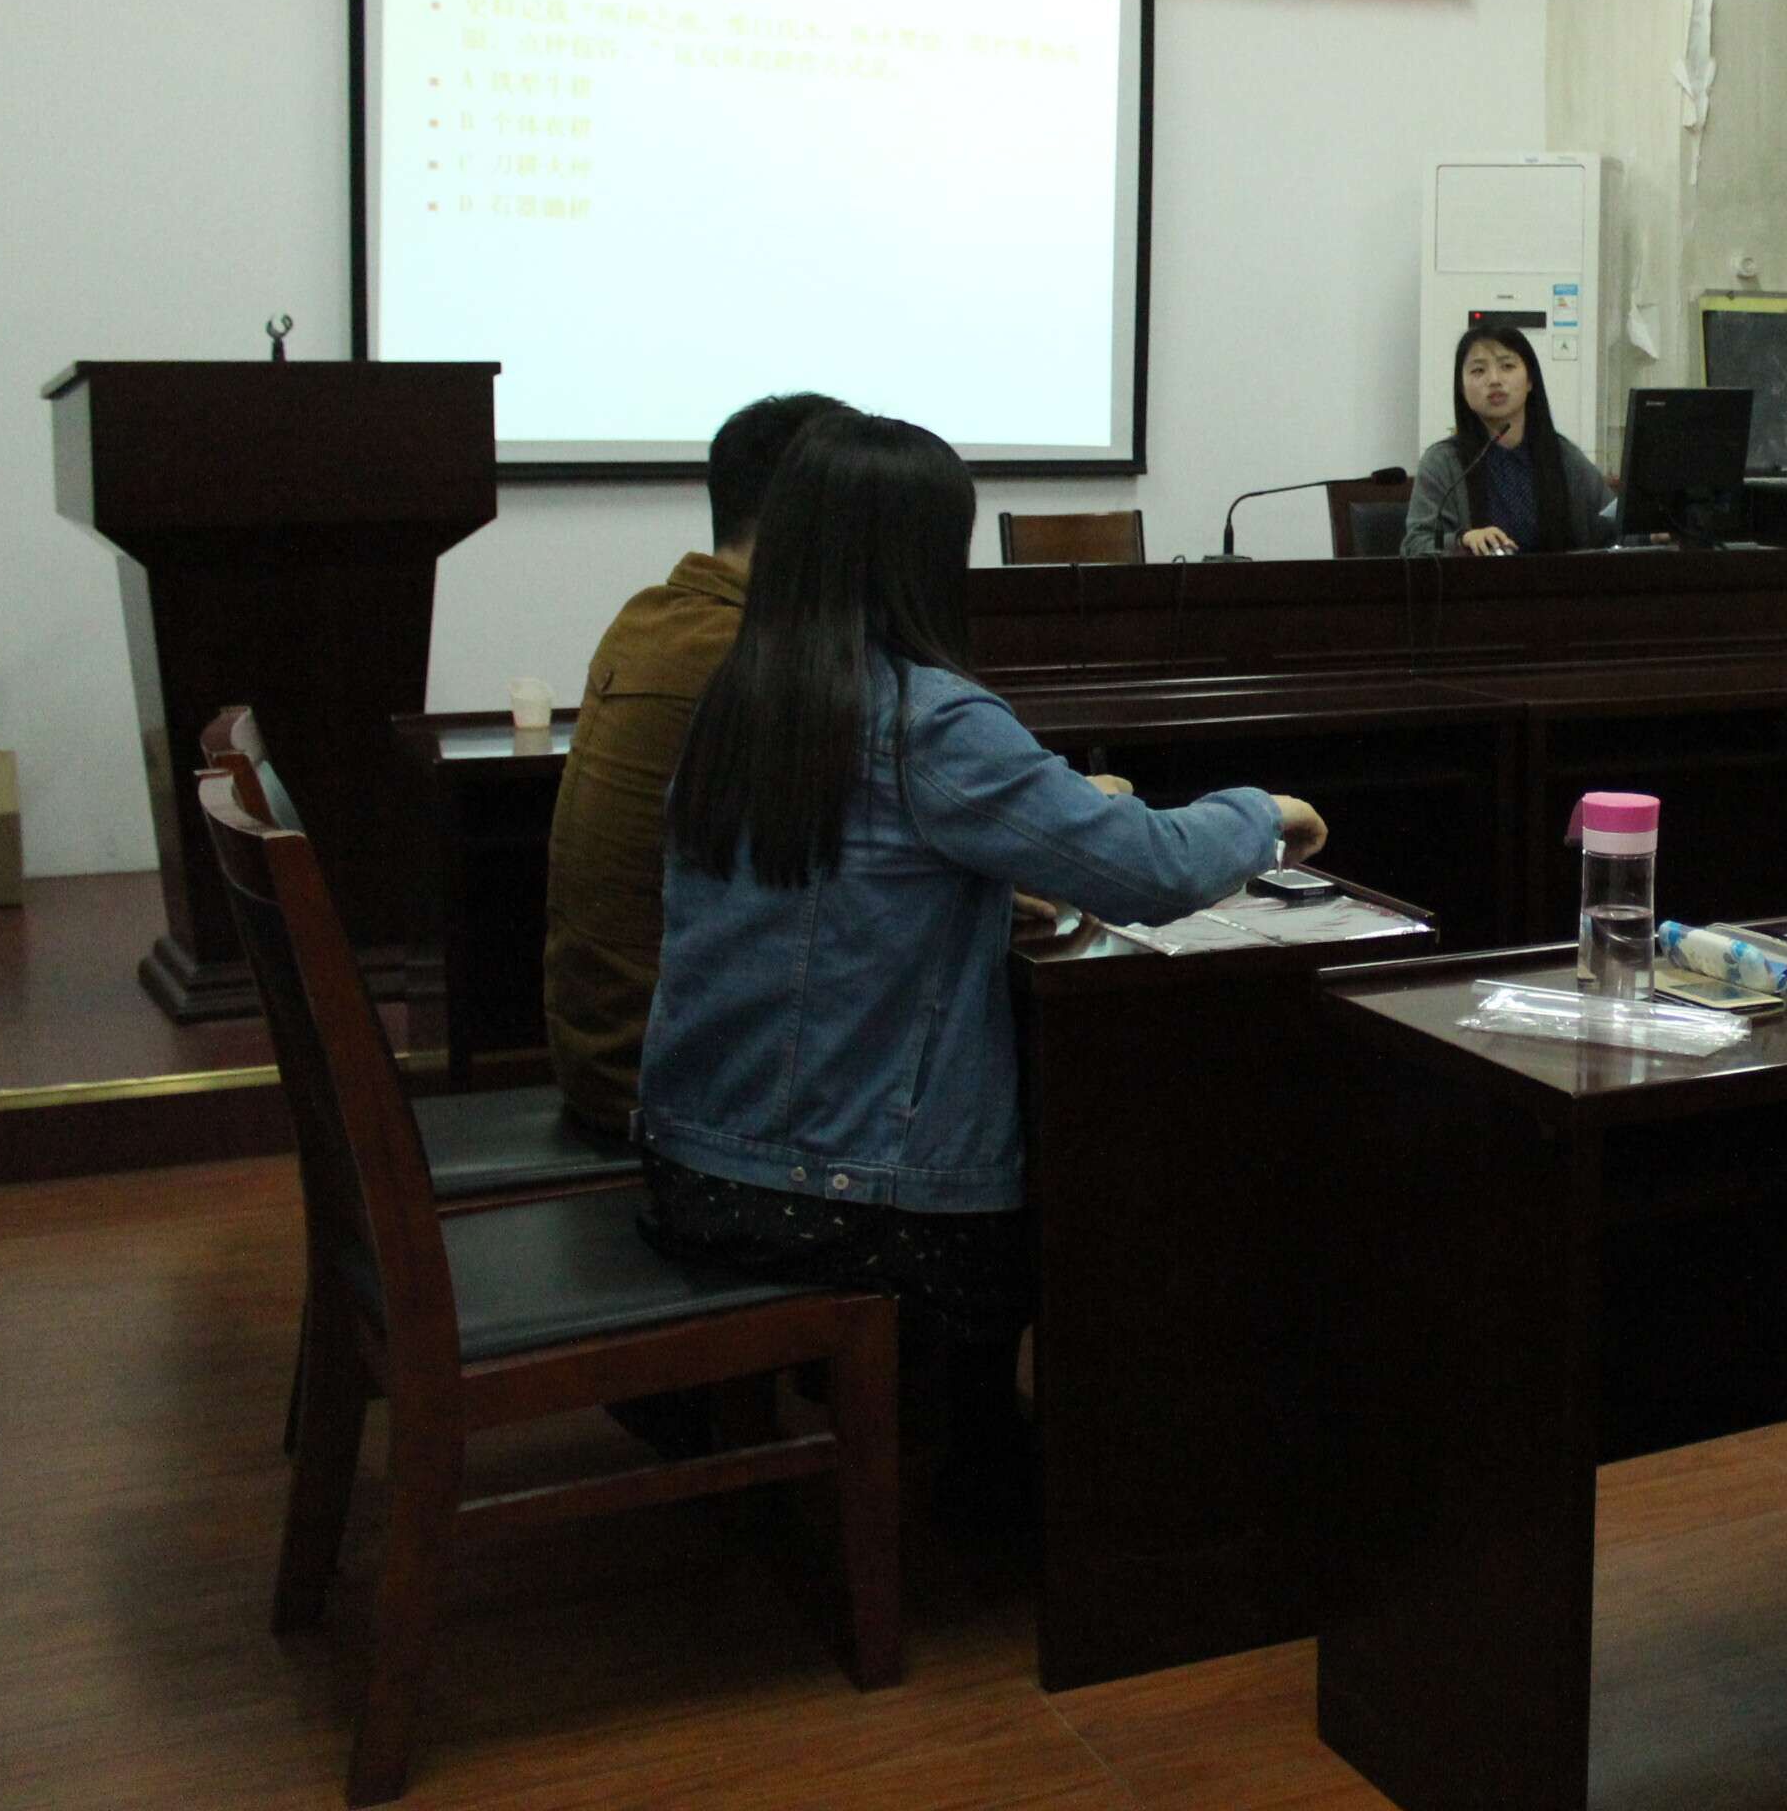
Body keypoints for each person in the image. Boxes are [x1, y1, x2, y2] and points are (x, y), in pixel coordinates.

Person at [634, 408, 1327, 1466]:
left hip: (693, 1161)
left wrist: (974, 895)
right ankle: (1004, 1483)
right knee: (1110, 1209)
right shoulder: (929, 719)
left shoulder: (739, 697)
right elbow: (1148, 870)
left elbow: (822, 894)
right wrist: (1262, 814)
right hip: (849, 1199)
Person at [543, 391, 843, 1137]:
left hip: (601, 1052)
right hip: (669, 1081)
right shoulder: (747, 655)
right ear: (814, 518)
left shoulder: (650, 616)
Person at [1401, 324, 1618, 557]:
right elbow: (1415, 545)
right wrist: (1463, 540)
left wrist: (1640, 533)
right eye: (1478, 370)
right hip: (1477, 580)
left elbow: (1613, 528)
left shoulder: (1563, 456)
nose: (1494, 380)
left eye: (1507, 366)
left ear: (1530, 381)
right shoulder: (1442, 462)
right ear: (1462, 389)